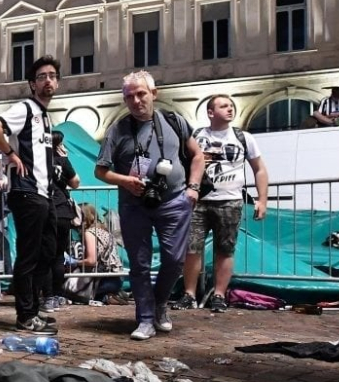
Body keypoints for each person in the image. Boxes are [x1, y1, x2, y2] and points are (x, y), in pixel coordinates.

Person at [94, 70, 204, 340]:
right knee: (139, 264)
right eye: (129, 96)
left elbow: (197, 155)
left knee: (175, 259)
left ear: (154, 94)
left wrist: (193, 187)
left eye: (141, 94)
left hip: (175, 199)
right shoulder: (117, 130)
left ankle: (159, 304)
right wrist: (125, 181)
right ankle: (145, 318)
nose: (136, 100)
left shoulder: (174, 120)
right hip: (134, 205)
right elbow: (100, 171)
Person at [0, 55, 63, 336]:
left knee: (48, 251)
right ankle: (25, 314)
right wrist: (10, 154)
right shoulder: (26, 109)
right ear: (32, 84)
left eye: (53, 75)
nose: (49, 80)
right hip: (26, 192)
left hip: (44, 193)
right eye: (42, 76)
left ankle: (35, 307)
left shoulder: (45, 116)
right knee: (29, 254)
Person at [174, 94, 269, 312]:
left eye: (231, 106)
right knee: (191, 248)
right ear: (210, 112)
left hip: (230, 200)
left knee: (225, 249)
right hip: (198, 201)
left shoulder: (243, 137)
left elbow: (259, 169)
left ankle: (219, 294)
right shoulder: (196, 136)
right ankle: (189, 293)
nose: (230, 109)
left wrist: (262, 200)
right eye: (223, 106)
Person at [42, 131, 81, 312]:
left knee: (45, 256)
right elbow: (75, 183)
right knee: (58, 256)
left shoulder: (38, 161)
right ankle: (56, 295)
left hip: (45, 210)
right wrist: (64, 158)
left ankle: (48, 297)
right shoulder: (63, 161)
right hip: (63, 211)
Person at [71, 204, 125, 304]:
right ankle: (110, 294)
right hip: (116, 277)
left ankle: (104, 296)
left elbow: (91, 261)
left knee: (69, 291)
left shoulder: (89, 233)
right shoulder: (104, 230)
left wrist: (74, 262)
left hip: (105, 279)